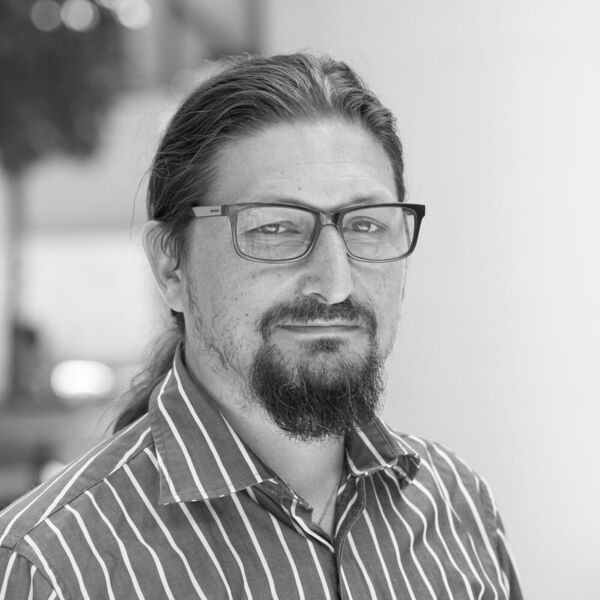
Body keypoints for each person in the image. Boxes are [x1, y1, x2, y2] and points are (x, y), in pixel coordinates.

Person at [0, 53, 523, 599]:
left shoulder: (458, 511)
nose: (335, 283)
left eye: (367, 225)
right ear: (171, 265)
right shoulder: (51, 570)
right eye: (274, 228)